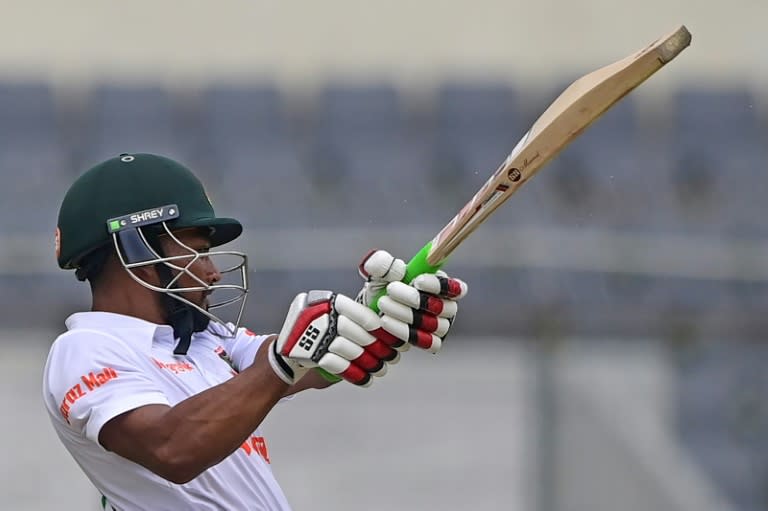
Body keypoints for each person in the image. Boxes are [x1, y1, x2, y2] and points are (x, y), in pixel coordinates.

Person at [42, 153, 468, 510]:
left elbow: (307, 360)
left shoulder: (205, 340)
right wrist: (284, 361)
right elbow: (172, 449)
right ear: (134, 248)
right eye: (199, 252)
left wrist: (377, 312)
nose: (211, 273)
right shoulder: (85, 349)